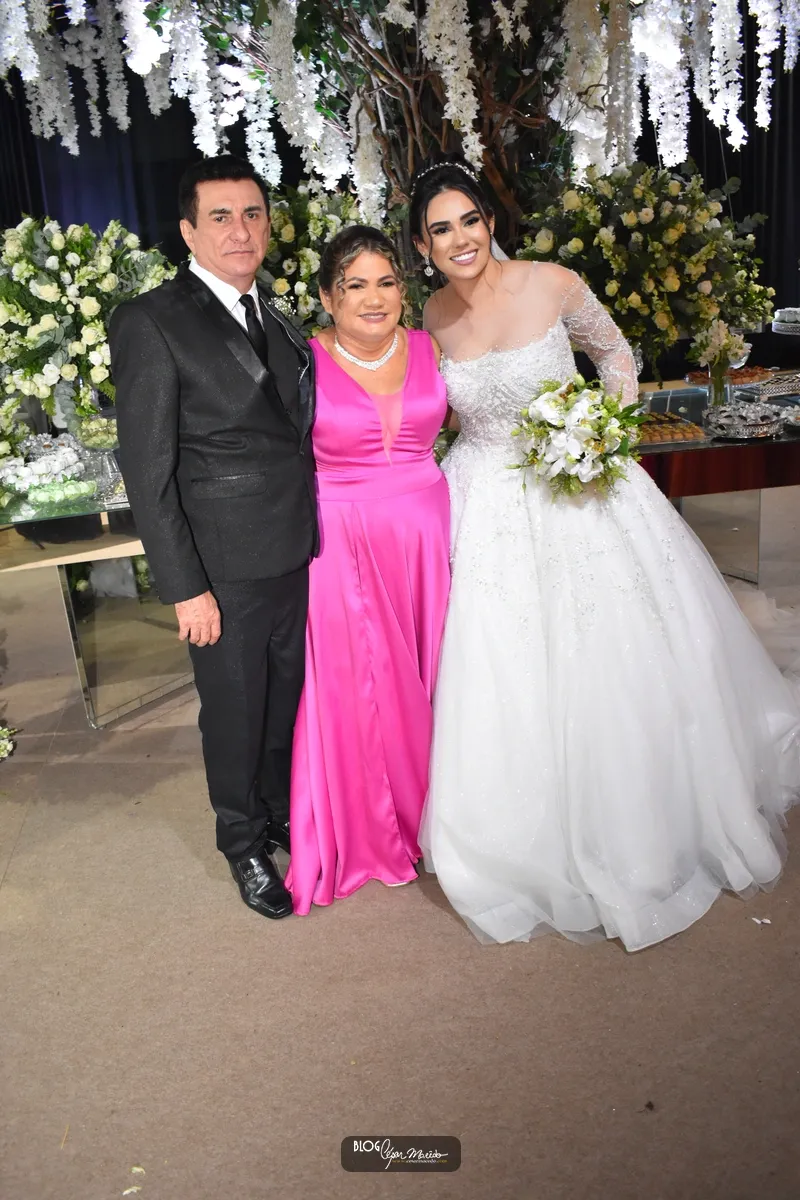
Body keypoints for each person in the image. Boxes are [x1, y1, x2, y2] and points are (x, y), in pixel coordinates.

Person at [411, 156, 800, 952]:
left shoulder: (553, 282)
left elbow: (617, 358)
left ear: (491, 220)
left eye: (469, 220)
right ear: (423, 247)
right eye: (440, 230)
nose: (460, 239)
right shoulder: (432, 314)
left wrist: (603, 434)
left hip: (577, 484)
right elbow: (447, 417)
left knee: (611, 651)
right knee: (499, 662)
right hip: (482, 500)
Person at [109, 155, 317, 920]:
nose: (241, 230)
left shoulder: (277, 313)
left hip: (294, 551)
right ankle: (241, 843)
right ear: (189, 231)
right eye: (221, 217)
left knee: (283, 703)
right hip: (221, 568)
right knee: (234, 712)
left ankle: (277, 812)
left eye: (253, 214)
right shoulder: (151, 321)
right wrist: (185, 587)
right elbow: (148, 472)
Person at [287, 226, 450, 914]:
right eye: (355, 285)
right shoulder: (300, 358)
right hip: (339, 541)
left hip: (427, 538)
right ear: (328, 297)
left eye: (386, 282)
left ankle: (440, 820)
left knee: (437, 674)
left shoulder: (431, 347)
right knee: (357, 686)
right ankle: (369, 829)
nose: (374, 298)